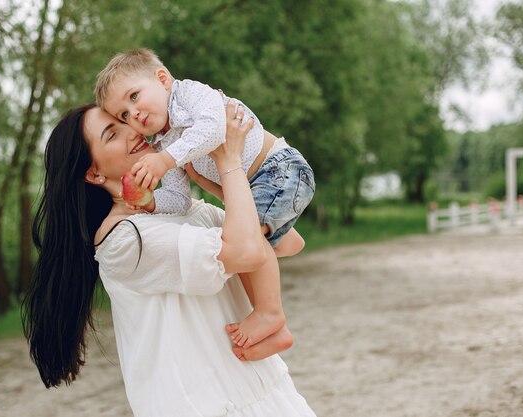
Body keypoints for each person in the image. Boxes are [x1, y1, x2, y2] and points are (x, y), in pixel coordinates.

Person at [22, 102, 317, 417]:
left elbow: (286, 242)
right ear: (93, 173)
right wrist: (229, 160)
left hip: (262, 392)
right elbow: (248, 252)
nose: (133, 132)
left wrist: (219, 174)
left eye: (125, 122)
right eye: (112, 134)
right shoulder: (124, 241)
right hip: (207, 406)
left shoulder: (187, 210)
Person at [94, 48, 316, 349]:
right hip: (254, 184)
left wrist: (165, 161)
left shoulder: (189, 94)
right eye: (123, 115)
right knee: (247, 236)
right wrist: (151, 203)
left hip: (280, 169)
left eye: (134, 97)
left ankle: (269, 313)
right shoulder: (163, 143)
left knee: (249, 238)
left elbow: (214, 130)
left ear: (162, 79)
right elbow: (179, 200)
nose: (133, 113)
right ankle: (283, 239)